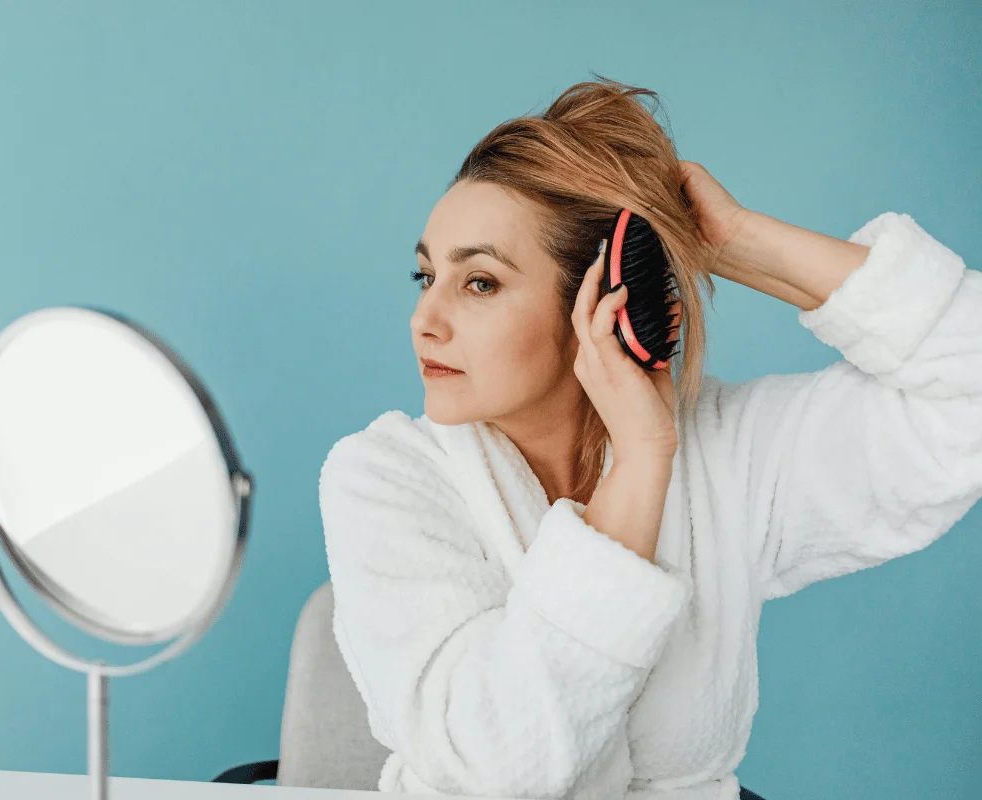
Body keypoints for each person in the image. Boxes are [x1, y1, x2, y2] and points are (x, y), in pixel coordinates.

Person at [317, 77, 982, 800]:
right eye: (425, 276)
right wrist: (638, 463)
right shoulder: (381, 478)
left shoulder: (729, 454)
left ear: (605, 301)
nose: (425, 320)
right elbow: (497, 768)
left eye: (478, 283)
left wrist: (739, 243)